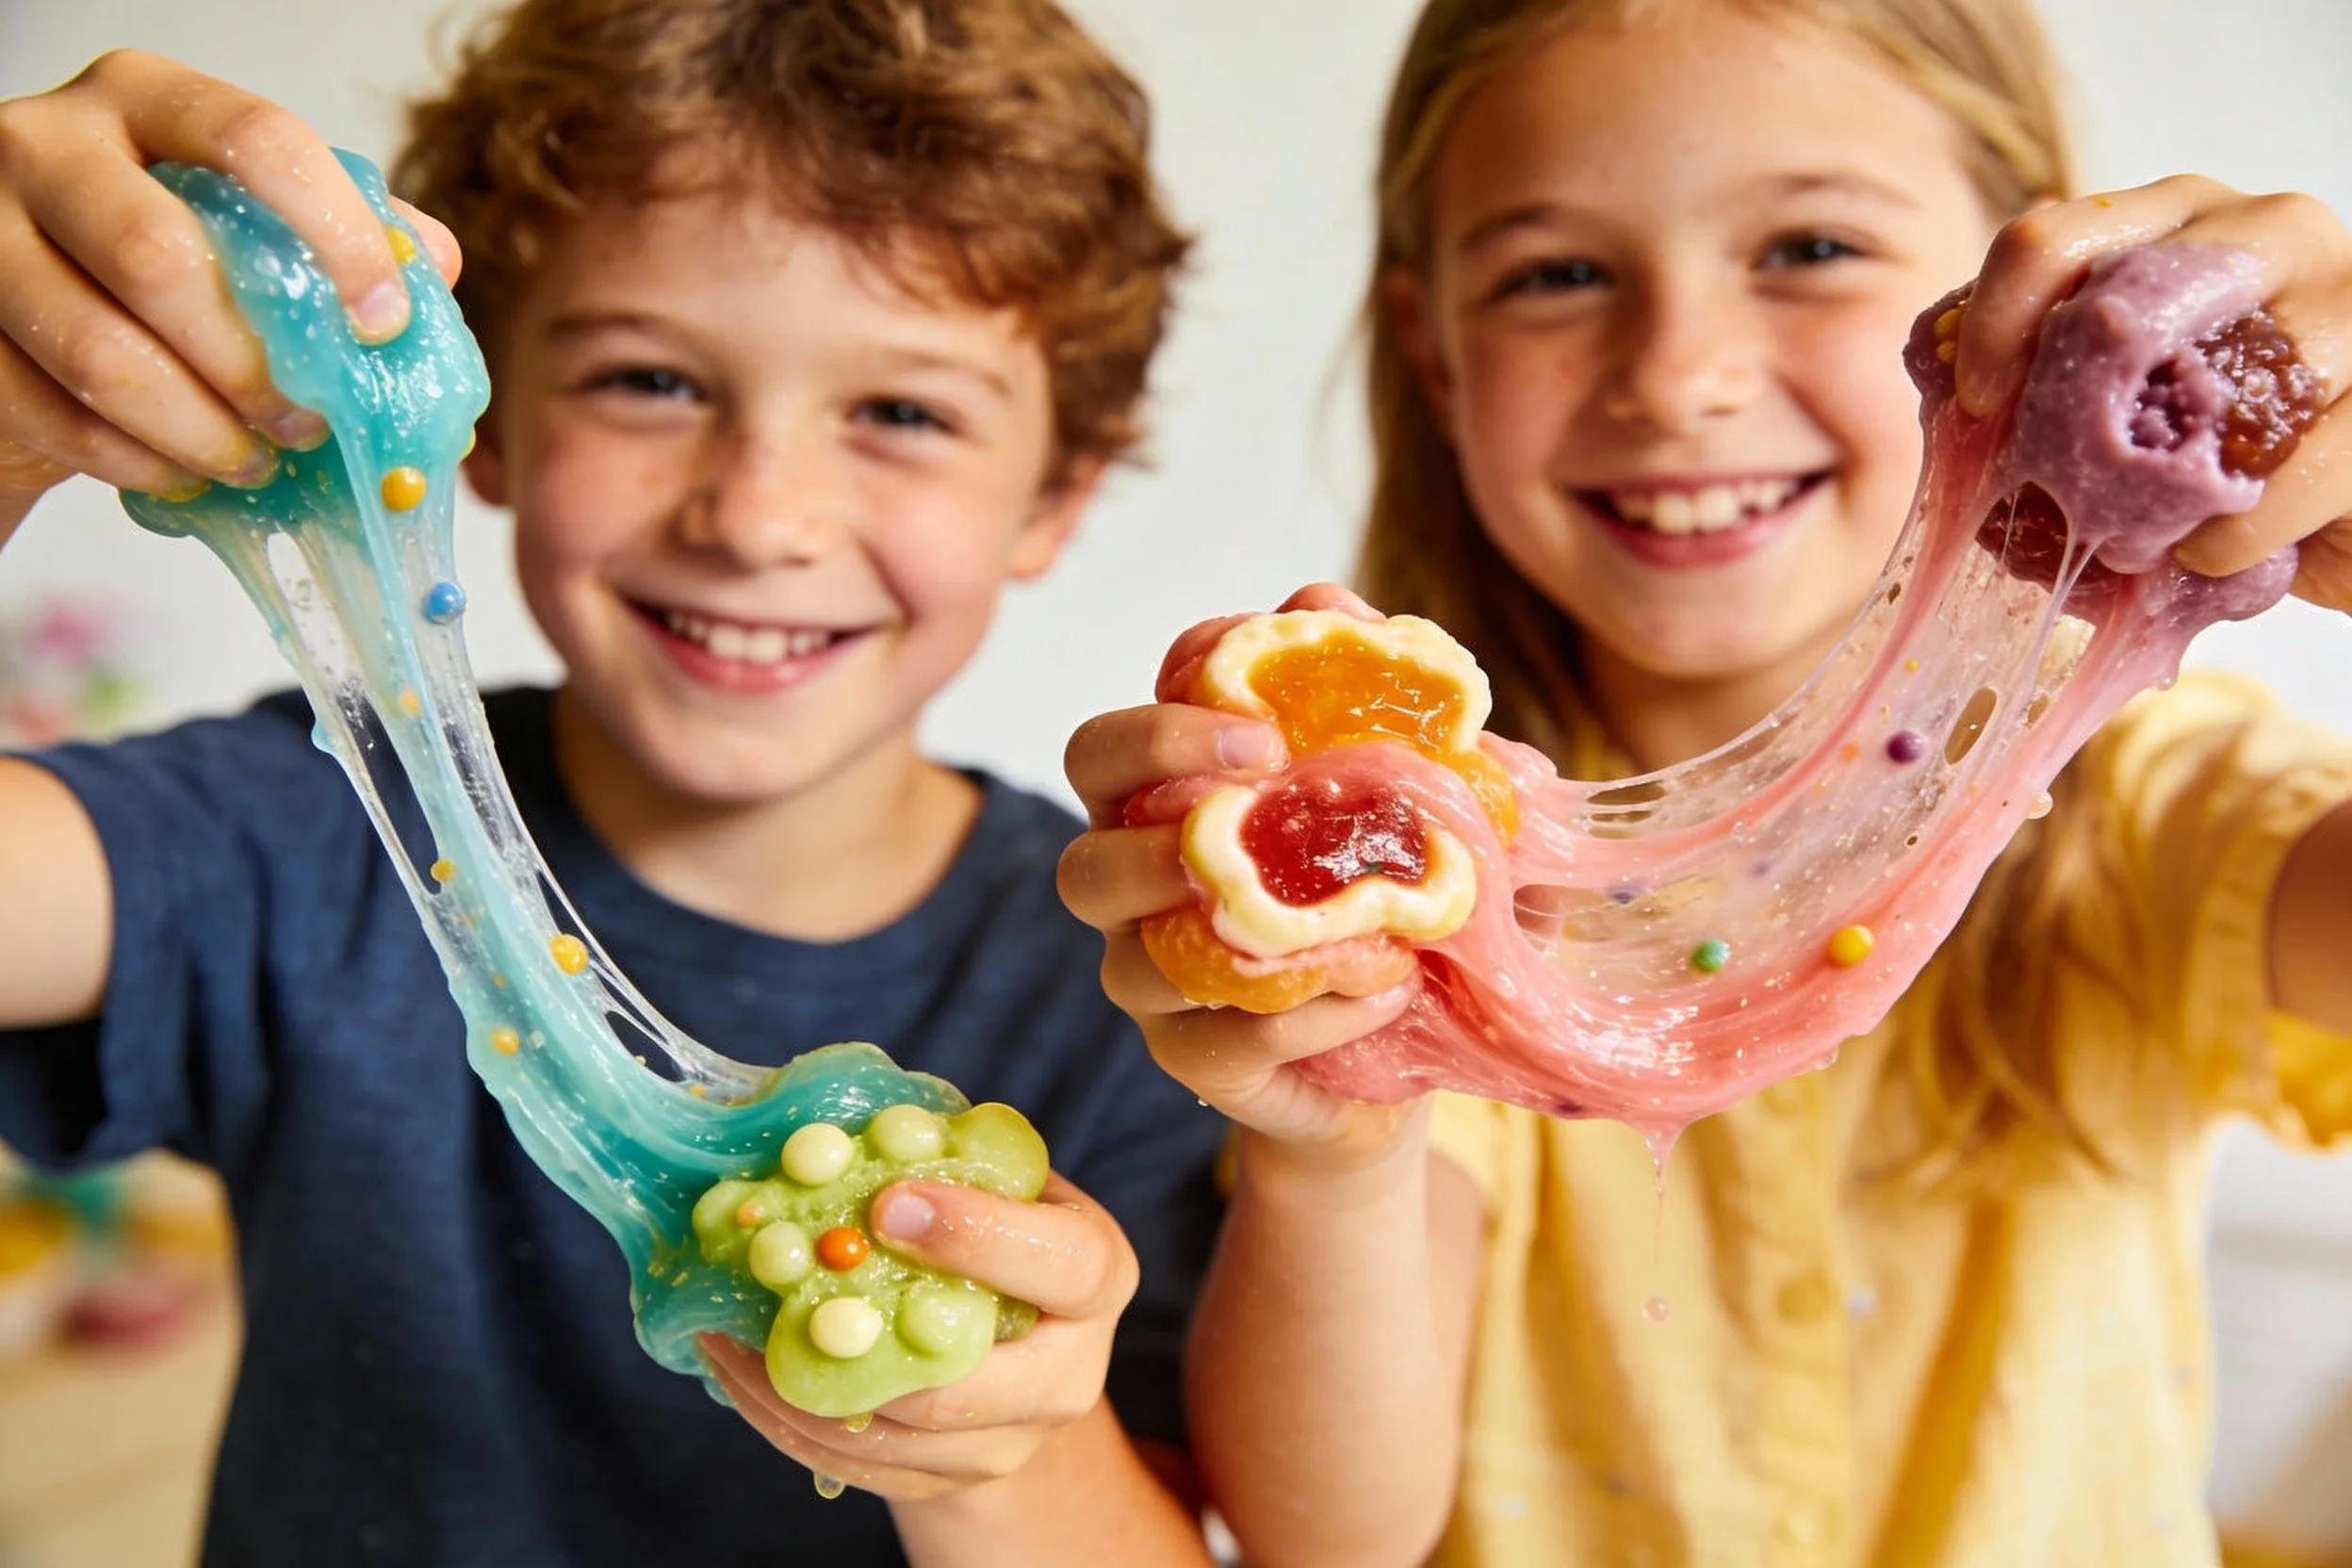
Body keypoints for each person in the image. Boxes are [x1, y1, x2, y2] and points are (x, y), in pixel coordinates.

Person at [1056, 1, 2352, 1562]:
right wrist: (1334, 1146)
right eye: (1560, 275)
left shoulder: (2155, 808)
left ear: (2014, 295)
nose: (1675, 376)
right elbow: (1328, 1537)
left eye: (1807, 248)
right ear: (1435, 351)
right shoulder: (1428, 878)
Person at [0, 2, 1225, 1564]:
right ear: (481, 419)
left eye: (901, 412)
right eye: (649, 380)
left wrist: (993, 1466)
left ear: (1055, 491)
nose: (759, 515)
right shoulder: (297, 835)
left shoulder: (1127, 983)